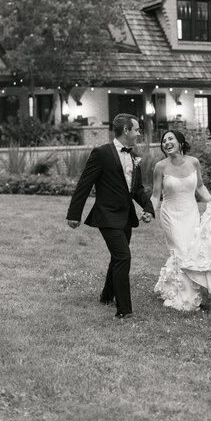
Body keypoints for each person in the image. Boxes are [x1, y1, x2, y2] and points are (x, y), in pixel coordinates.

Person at [66, 113, 155, 320]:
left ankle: (106, 295)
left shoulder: (133, 156)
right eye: (137, 129)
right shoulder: (101, 153)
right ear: (126, 131)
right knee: (124, 257)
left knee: (117, 257)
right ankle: (124, 310)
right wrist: (74, 214)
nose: (139, 133)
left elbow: (138, 190)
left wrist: (148, 208)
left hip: (125, 217)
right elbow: (84, 184)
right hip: (106, 215)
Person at [148, 130, 211, 312]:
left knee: (192, 250)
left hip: (191, 212)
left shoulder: (193, 162)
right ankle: (184, 298)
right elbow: (155, 195)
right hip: (170, 213)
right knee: (181, 251)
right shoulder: (160, 167)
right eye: (164, 141)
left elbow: (200, 186)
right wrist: (149, 211)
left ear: (180, 142)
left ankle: (188, 291)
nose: (166, 142)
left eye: (170, 139)